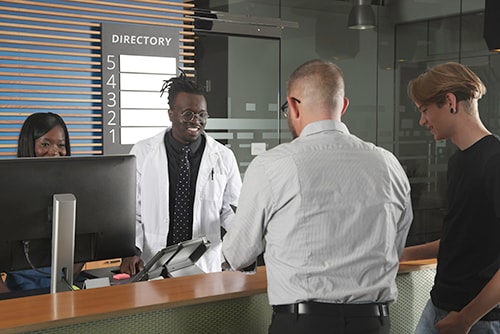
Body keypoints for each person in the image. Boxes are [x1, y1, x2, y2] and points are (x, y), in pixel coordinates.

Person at [221, 59, 413, 334]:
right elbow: (394, 246)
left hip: (304, 324)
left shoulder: (273, 165)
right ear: (343, 106)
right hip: (373, 323)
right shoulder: (388, 164)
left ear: (294, 105)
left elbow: (238, 254)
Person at [401, 62, 500, 334]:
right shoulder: (458, 162)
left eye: (425, 110)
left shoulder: (495, 161)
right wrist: (403, 253)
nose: (422, 121)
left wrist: (466, 319)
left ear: (450, 101)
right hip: (439, 306)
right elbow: (462, 238)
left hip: (479, 321)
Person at [120, 73, 242, 276]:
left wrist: (242, 237)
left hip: (204, 263)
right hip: (154, 261)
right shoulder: (142, 152)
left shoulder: (223, 156)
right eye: (188, 114)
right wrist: (132, 251)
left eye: (202, 115)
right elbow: (133, 212)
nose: (196, 121)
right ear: (171, 114)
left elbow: (230, 210)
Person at [1, 112, 72, 292]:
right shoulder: (7, 188)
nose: (55, 152)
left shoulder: (74, 189)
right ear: (29, 145)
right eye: (45, 144)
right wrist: (10, 302)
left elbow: (86, 246)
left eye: (61, 145)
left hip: (62, 288)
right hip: (16, 296)